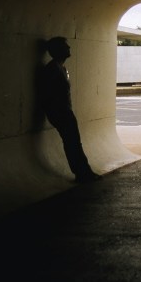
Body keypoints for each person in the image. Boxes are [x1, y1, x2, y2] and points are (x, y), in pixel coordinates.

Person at [41, 36, 102, 183]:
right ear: (58, 50)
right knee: (73, 143)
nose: (69, 48)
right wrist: (58, 111)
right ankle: (83, 174)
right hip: (61, 111)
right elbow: (48, 93)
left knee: (73, 142)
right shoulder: (53, 69)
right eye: (65, 46)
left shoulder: (60, 68)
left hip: (64, 110)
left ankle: (84, 172)